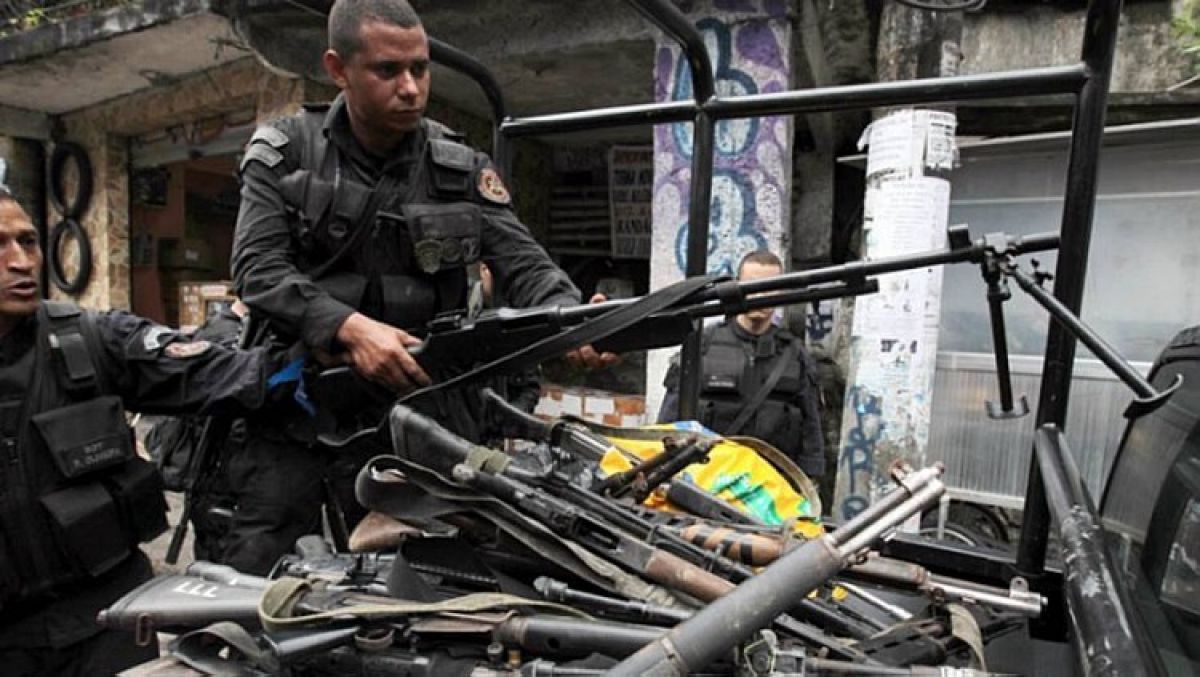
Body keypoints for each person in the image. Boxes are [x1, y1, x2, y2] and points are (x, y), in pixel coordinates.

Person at [228, 0, 611, 575]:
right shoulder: (285, 153)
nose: (410, 88)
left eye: (420, 68)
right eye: (388, 70)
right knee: (262, 579)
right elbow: (257, 268)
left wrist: (573, 318)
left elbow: (524, 263)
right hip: (300, 416)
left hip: (422, 418)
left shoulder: (459, 167)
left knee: (441, 584)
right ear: (338, 69)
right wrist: (350, 329)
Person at [0, 180, 286, 675]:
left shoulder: (90, 339)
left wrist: (332, 346)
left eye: (28, 241)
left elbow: (227, 375)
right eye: (1, 247)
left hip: (104, 624)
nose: (22, 261)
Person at [657, 250, 825, 479]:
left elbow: (811, 431)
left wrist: (809, 482)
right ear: (737, 287)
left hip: (769, 485)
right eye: (752, 286)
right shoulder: (701, 346)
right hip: (706, 479)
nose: (760, 296)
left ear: (782, 292)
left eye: (769, 287)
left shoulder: (795, 355)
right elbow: (667, 425)